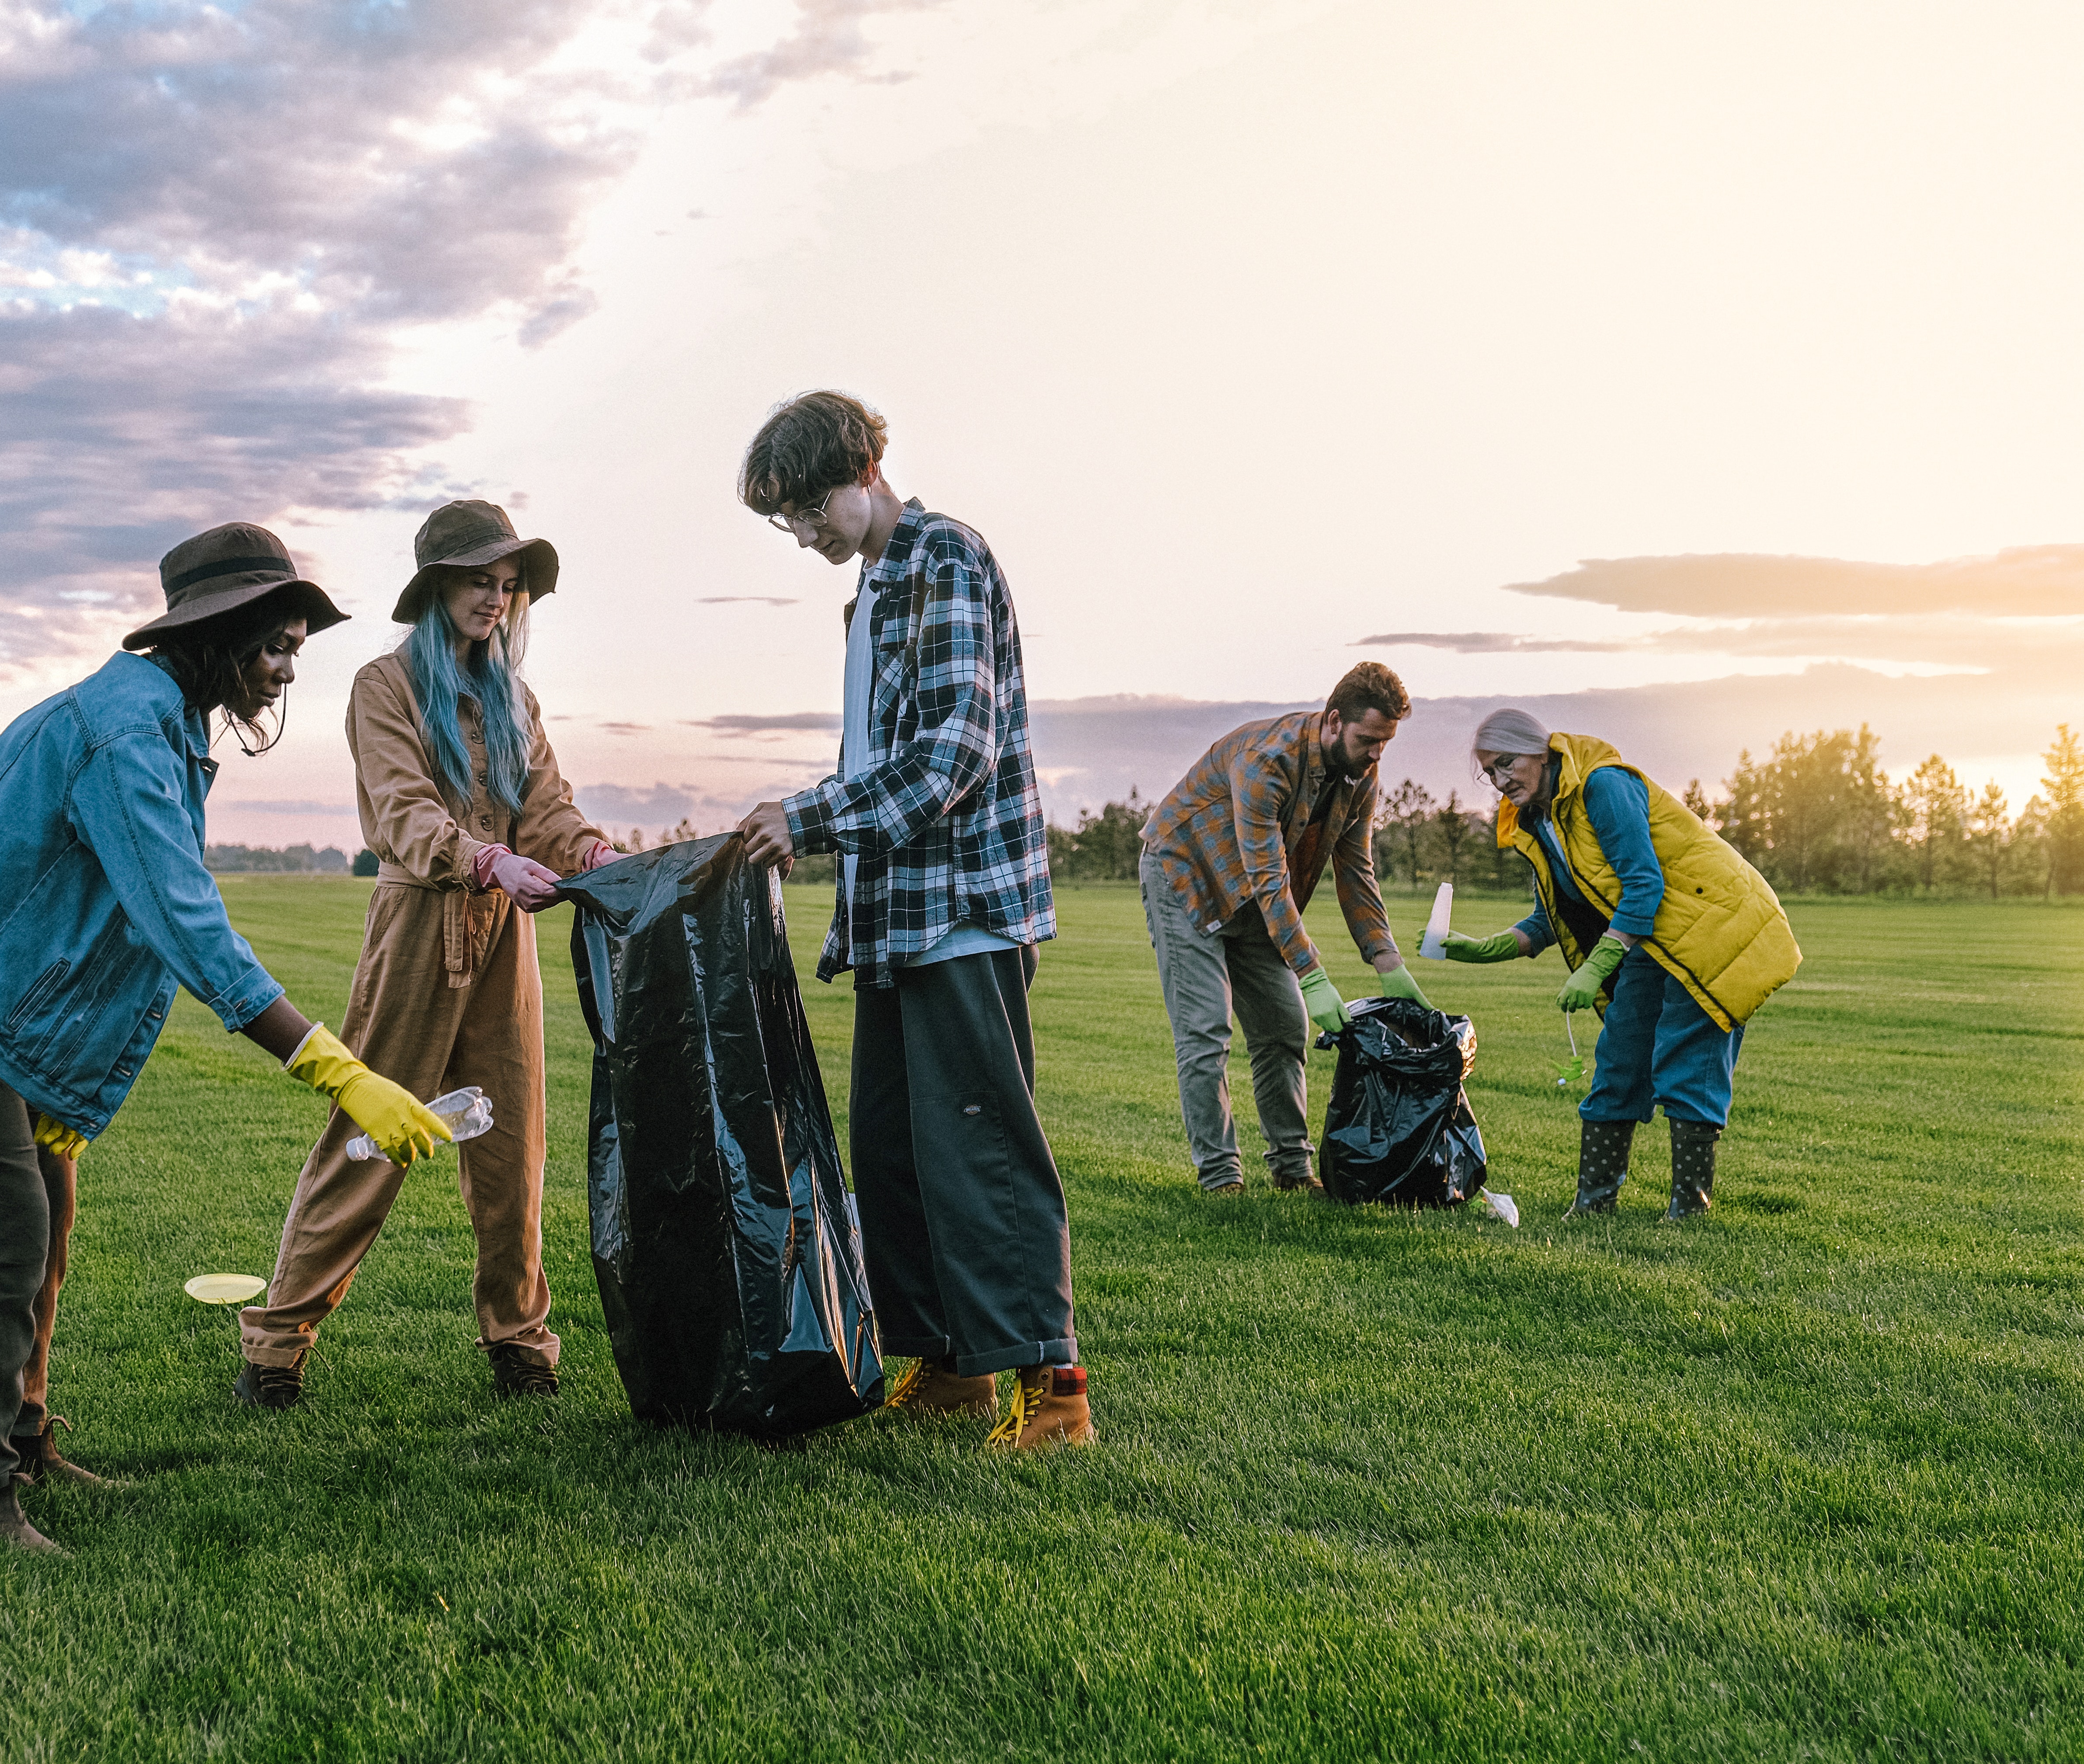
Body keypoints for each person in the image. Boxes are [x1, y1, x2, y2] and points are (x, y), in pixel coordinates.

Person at [0, 522, 452, 1553]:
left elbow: (102, 932)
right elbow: (181, 922)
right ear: (214, 633)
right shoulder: (128, 732)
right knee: (0, 1234)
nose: (285, 667)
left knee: (50, 1204)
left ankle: (23, 1436)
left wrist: (66, 1093)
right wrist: (340, 1072)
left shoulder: (166, 723)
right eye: (274, 645)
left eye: (296, 646)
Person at [731, 391, 1089, 1451]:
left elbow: (953, 755)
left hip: (965, 912)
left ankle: (1055, 1384)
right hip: (895, 918)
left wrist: (807, 819)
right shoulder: (875, 589)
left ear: (860, 471)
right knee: (894, 1153)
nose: (801, 536)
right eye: (784, 523)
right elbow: (880, 759)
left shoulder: (945, 557)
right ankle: (947, 1365)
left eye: (803, 511)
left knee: (980, 1150)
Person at [237, 501, 616, 1407]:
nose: (498, 596)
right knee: (369, 1136)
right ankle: (276, 1345)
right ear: (438, 585)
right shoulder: (383, 686)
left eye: (509, 582)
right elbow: (403, 811)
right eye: (481, 579)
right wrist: (484, 857)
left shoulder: (514, 698)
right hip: (418, 924)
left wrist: (593, 854)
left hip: (503, 938)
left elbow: (548, 808)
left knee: (513, 1147)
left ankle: (520, 1341)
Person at [1440, 708, 1801, 1220]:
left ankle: (1689, 1208)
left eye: (1506, 764)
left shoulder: (1602, 787)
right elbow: (1555, 914)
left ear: (1540, 752)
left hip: (1713, 927)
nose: (1500, 781)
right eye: (1489, 773)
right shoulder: (1542, 820)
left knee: (1687, 1059)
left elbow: (1643, 884)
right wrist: (1483, 947)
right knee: (1619, 1058)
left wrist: (1598, 964)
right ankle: (1593, 1203)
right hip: (1653, 936)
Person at [1138, 663, 1430, 1194]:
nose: (1376, 754)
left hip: (1255, 898)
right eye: (1368, 739)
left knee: (1284, 1029)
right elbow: (1269, 879)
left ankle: (1293, 1170)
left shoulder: (1361, 776)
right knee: (1206, 1032)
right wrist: (1312, 973)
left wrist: (1387, 960)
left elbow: (1355, 868)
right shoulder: (1266, 760)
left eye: (1386, 743)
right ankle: (1221, 1178)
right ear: (1334, 720)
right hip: (1187, 879)